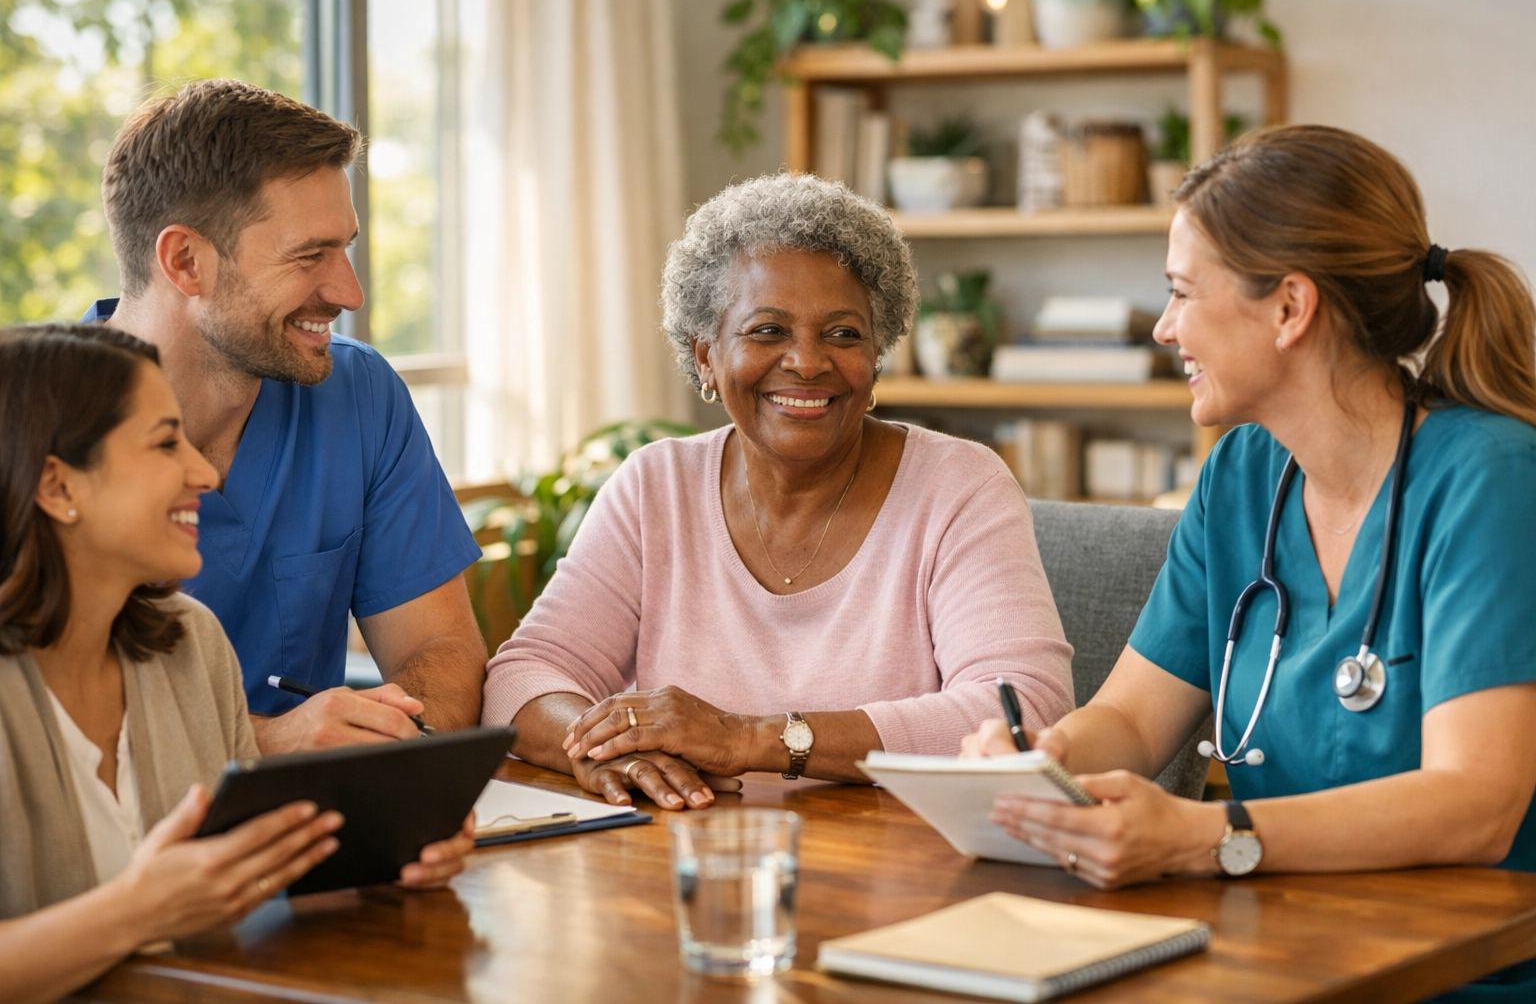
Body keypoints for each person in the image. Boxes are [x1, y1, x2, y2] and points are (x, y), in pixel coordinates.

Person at [962, 125, 1536, 1000]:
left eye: (1182, 293)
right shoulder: (1242, 474)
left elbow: (1477, 806)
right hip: (1280, 951)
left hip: (1462, 972)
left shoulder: (1489, 479)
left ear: (1289, 308)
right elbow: (1133, 720)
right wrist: (1044, 754)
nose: (1163, 327)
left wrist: (1201, 836)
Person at [483, 173, 1075, 809]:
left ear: (877, 357)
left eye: (844, 334)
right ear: (706, 356)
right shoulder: (655, 487)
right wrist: (611, 749)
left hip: (901, 872)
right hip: (687, 869)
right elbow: (522, 678)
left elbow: (1023, 712)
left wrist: (749, 739)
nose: (808, 362)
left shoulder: (959, 485)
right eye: (768, 330)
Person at [0, 324, 473, 1004]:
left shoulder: (190, 646)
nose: (203, 472)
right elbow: (165, 910)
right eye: (166, 443)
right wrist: (139, 910)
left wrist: (380, 851)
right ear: (57, 485)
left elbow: (237, 895)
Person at [88, 79, 485, 754]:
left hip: (324, 832)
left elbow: (441, 647)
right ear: (185, 261)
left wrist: (390, 753)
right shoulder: (32, 426)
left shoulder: (359, 395)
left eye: (346, 247)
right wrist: (268, 746)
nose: (349, 292)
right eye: (310, 256)